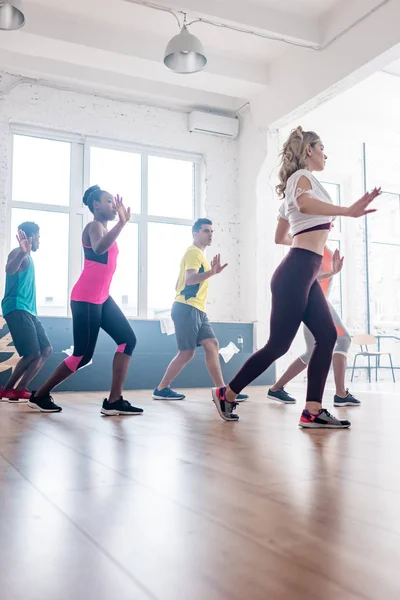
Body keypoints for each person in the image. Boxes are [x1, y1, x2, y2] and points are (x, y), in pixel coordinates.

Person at [211, 126, 380, 425]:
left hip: (303, 271)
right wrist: (346, 211)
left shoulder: (302, 182)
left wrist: (320, 263)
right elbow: (302, 205)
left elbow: (282, 236)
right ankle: (227, 393)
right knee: (278, 346)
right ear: (309, 150)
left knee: (327, 336)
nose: (326, 154)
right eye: (322, 147)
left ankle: (312, 410)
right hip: (296, 272)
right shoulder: (301, 178)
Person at [29, 186, 143, 416]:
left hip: (102, 298)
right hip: (86, 299)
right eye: (108, 201)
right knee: (82, 355)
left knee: (127, 340)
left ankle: (114, 400)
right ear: (96, 206)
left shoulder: (104, 228)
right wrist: (122, 224)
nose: (114, 205)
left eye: (114, 201)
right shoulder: (93, 227)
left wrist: (118, 225)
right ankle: (40, 395)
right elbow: (100, 248)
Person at [152, 218, 248, 401]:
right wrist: (211, 273)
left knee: (212, 344)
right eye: (205, 231)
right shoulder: (193, 253)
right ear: (195, 233)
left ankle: (222, 391)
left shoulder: (198, 255)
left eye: (211, 231)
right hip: (187, 308)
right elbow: (190, 279)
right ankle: (161, 388)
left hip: (197, 309)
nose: (210, 234)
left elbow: (180, 282)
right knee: (186, 353)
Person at [267, 246, 360, 407]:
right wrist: (331, 272)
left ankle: (276, 388)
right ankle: (340, 394)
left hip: (316, 301)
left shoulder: (326, 250)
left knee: (311, 352)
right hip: (314, 302)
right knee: (344, 339)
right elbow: (310, 278)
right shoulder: (313, 248)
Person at [0, 223, 52, 402]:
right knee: (32, 353)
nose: (39, 240)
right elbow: (9, 269)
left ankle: (19, 389)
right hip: (17, 307)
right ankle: (8, 390)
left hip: (29, 311)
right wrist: (22, 252)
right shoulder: (17, 253)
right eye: (38, 236)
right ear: (29, 238)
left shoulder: (30, 258)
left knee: (46, 349)